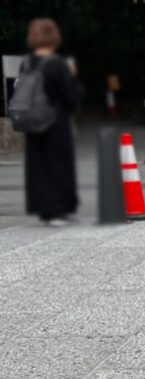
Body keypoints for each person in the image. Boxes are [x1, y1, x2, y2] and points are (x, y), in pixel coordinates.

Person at [20, 18, 82, 227]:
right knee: (59, 164)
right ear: (54, 36)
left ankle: (44, 210)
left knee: (37, 166)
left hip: (32, 120)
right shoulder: (57, 64)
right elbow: (70, 97)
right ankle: (58, 210)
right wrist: (72, 76)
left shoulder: (27, 62)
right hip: (55, 122)